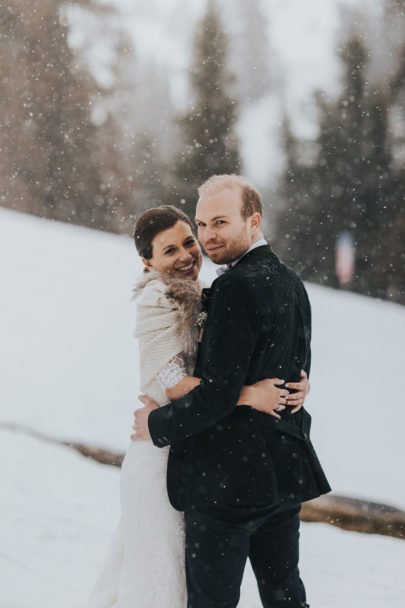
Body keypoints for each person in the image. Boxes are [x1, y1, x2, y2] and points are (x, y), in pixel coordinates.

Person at [87, 204, 311, 608]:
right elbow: (171, 383)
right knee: (160, 579)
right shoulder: (157, 298)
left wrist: (298, 383)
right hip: (161, 456)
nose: (186, 254)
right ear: (147, 262)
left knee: (184, 581)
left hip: (196, 447)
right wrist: (250, 394)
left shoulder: (208, 290)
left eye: (189, 241)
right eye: (169, 250)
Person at [133, 175, 331, 608]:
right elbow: (294, 373)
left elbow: (218, 395)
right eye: (202, 224)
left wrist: (156, 423)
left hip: (226, 484)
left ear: (253, 221)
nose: (206, 237)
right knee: (285, 596)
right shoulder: (291, 281)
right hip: (280, 476)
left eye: (219, 222)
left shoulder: (234, 287)